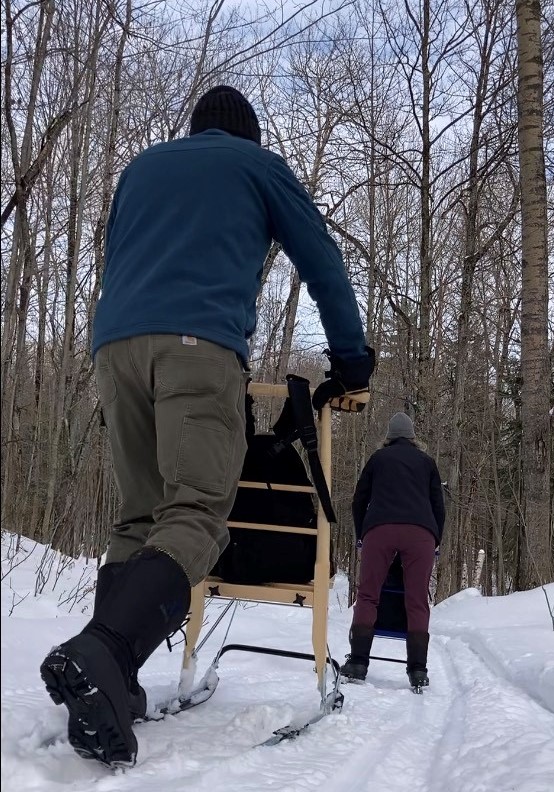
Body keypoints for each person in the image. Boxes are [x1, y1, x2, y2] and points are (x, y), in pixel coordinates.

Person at [40, 86, 374, 768]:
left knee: (139, 514)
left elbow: (117, 255)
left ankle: (117, 680)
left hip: (114, 346)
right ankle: (106, 651)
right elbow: (322, 261)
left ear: (193, 129)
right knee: (196, 513)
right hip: (198, 346)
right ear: (247, 136)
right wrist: (351, 361)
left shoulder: (142, 168)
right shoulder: (258, 167)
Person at [341, 412, 445, 690]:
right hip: (420, 533)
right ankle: (418, 670)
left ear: (388, 436)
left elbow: (359, 498)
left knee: (368, 594)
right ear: (412, 436)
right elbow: (438, 504)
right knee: (416, 600)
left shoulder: (378, 459)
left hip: (380, 528)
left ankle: (358, 662)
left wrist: (362, 532)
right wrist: (435, 539)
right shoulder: (427, 462)